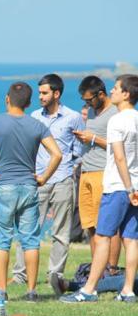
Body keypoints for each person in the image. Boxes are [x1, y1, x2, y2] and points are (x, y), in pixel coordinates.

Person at [0, 82, 61, 315]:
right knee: (30, 240)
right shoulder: (37, 125)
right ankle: (31, 291)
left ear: (7, 99)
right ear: (29, 103)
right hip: (29, 187)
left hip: (3, 187)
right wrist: (43, 177)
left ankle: (2, 290)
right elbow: (57, 154)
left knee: (2, 241)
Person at [61, 74, 138, 303]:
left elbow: (119, 157)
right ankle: (127, 290)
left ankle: (89, 290)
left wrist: (127, 188)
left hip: (118, 186)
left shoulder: (117, 120)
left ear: (126, 94)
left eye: (116, 88)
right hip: (134, 185)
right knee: (131, 240)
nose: (112, 91)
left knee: (103, 236)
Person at [10, 74, 84, 300]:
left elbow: (78, 150)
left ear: (56, 94)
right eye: (40, 92)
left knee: (61, 232)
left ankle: (55, 274)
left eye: (44, 93)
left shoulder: (73, 118)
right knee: (29, 229)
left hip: (63, 180)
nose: (40, 96)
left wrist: (70, 169)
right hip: (38, 180)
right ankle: (20, 275)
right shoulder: (33, 117)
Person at [54, 76, 121, 294]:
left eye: (90, 99)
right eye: (84, 100)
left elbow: (120, 146)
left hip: (104, 172)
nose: (87, 104)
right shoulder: (91, 111)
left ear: (101, 94)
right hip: (86, 171)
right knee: (90, 225)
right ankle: (97, 270)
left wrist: (93, 139)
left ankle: (111, 270)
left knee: (109, 226)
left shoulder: (116, 113)